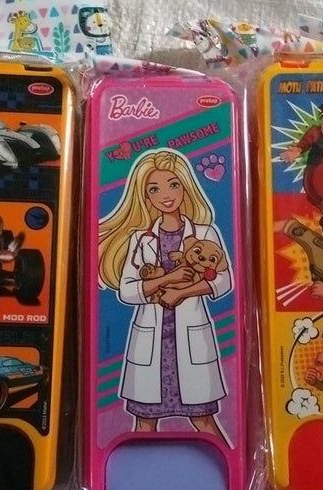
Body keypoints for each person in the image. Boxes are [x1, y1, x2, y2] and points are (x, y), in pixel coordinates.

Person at [97, 148, 232, 445]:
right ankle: (134, 471)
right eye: (154, 189)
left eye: (173, 184)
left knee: (203, 419)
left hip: (190, 339)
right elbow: (128, 290)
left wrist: (182, 292)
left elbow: (223, 282)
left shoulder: (205, 233)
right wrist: (168, 279)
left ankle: (232, 466)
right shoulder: (141, 238)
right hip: (152, 343)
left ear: (185, 187)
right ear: (146, 197)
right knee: (144, 422)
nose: (165, 195)